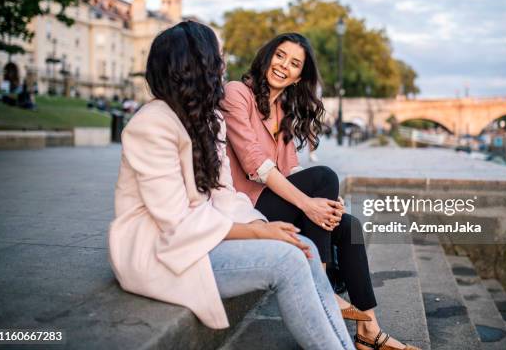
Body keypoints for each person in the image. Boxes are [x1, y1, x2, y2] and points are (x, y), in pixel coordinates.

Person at [108, 21, 354, 350]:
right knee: (288, 261)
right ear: (195, 66)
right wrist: (258, 233)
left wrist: (268, 227)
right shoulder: (151, 125)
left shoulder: (210, 119)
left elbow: (228, 197)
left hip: (205, 236)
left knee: (304, 247)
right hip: (161, 249)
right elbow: (176, 223)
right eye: (218, 57)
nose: (224, 65)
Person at [222, 33, 420, 350]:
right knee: (324, 177)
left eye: (294, 63)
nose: (284, 66)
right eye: (280, 56)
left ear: (301, 75)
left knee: (350, 226)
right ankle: (323, 287)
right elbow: (254, 164)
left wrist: (326, 203)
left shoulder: (282, 109)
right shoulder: (237, 93)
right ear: (267, 55)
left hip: (273, 201)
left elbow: (293, 168)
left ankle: (370, 332)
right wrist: (310, 203)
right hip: (247, 207)